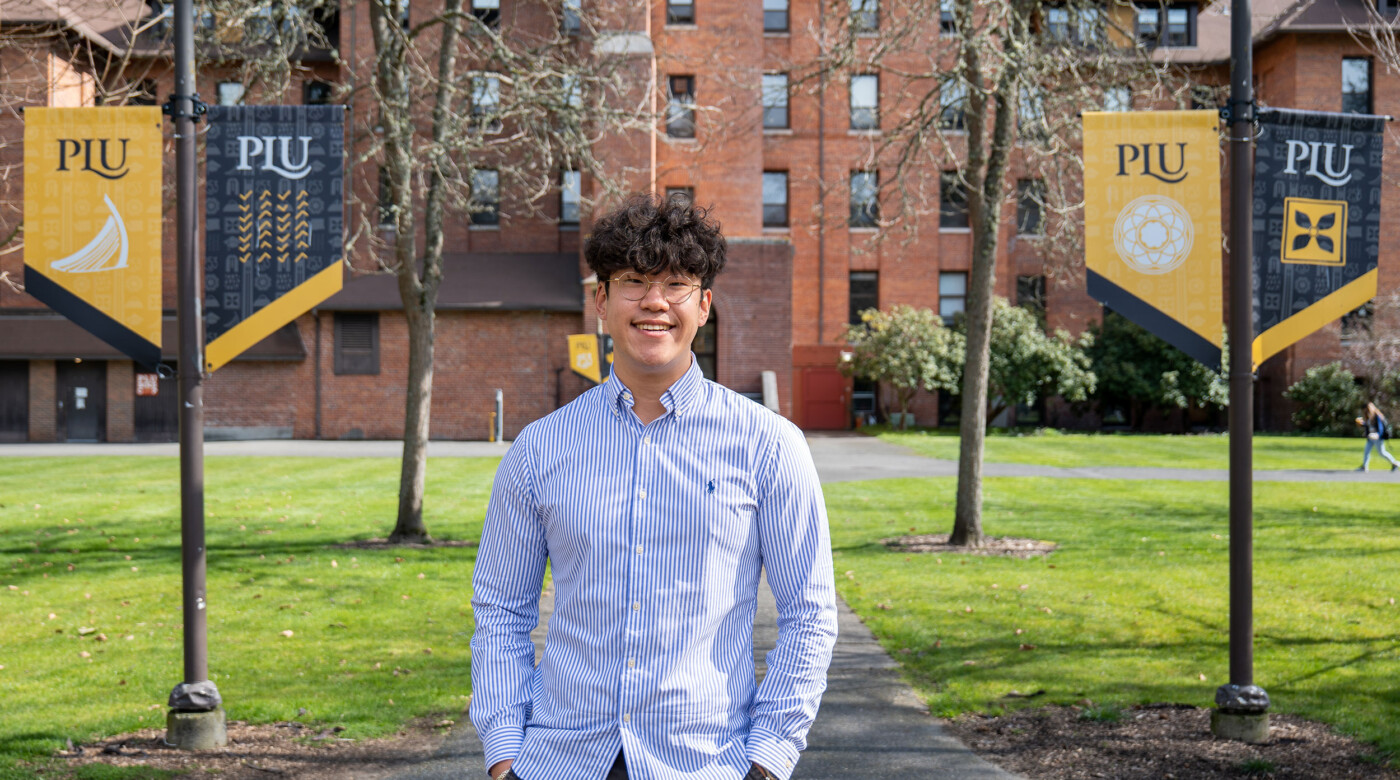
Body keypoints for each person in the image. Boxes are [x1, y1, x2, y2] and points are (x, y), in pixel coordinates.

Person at [470, 194, 838, 780]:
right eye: (634, 282)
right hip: (560, 759)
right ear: (601, 301)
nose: (655, 302)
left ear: (705, 305)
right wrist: (504, 750)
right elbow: (500, 611)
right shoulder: (539, 449)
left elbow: (809, 614)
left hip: (707, 761)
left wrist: (770, 755)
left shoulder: (770, 446)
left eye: (676, 284)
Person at [1355, 402, 1399, 472]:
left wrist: (1378, 435)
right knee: (1367, 451)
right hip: (1370, 437)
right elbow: (1369, 426)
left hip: (1377, 437)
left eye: (1366, 409)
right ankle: (1364, 466)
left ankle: (1394, 463)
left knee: (1382, 452)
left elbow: (1380, 428)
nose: (1365, 411)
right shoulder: (1368, 416)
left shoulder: (1377, 416)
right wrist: (1362, 424)